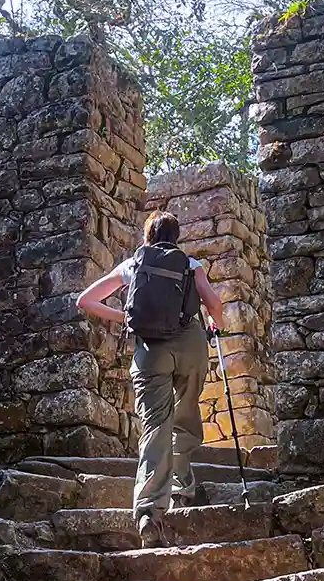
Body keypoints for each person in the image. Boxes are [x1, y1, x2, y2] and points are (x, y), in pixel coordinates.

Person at [76, 211, 224, 547]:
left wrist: (125, 317)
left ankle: (148, 513)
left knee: (156, 425)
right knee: (186, 414)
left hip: (150, 350)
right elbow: (214, 303)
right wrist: (216, 324)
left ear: (147, 237)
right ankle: (182, 490)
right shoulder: (189, 264)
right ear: (177, 237)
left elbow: (85, 300)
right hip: (191, 344)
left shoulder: (133, 264)